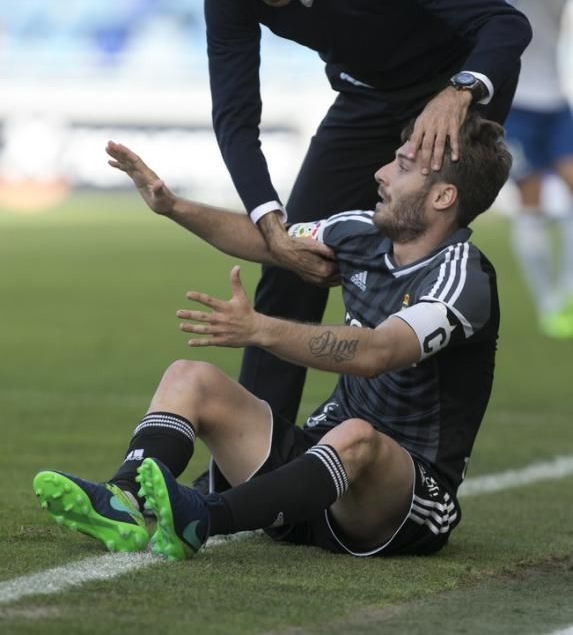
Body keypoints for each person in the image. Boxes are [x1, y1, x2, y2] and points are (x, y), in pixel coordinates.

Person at [33, 112, 512, 560]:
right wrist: (172, 206)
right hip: (314, 477)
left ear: (443, 197)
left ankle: (205, 517)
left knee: (359, 436)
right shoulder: (359, 232)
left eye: (403, 166)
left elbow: (379, 352)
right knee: (190, 377)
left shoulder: (461, 278)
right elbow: (269, 242)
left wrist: (260, 329)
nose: (382, 173)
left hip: (399, 503)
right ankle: (122, 498)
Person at [203, 0, 531, 452]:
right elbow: (234, 115)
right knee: (291, 262)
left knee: (417, 258)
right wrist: (271, 221)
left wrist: (460, 91)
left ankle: (419, 458)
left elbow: (506, 23)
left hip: (459, 86)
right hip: (367, 99)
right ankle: (252, 452)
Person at [502, 0, 573, 338]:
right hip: (520, 102)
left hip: (556, 98)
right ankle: (547, 301)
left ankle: (567, 289)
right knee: (532, 201)